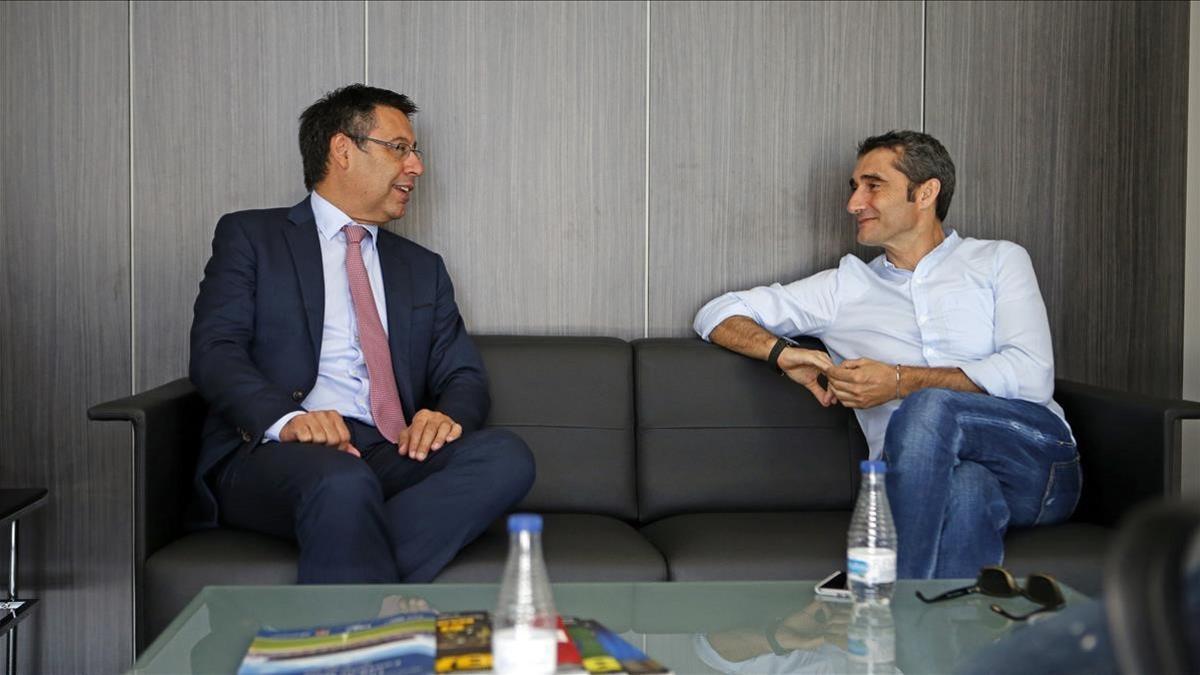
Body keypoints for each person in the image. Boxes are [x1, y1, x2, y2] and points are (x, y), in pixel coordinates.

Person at [693, 130, 1080, 578]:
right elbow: (717, 313)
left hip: (1035, 463)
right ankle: (932, 632)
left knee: (929, 406)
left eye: (873, 186)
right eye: (854, 188)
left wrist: (899, 381)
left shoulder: (998, 261)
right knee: (969, 490)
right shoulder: (844, 288)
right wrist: (781, 352)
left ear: (926, 192)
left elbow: (1032, 376)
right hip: (938, 484)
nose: (854, 204)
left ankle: (885, 592)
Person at [188, 84, 535, 584]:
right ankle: (369, 644)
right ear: (342, 149)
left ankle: (347, 587)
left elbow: (461, 373)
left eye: (415, 152)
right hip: (277, 453)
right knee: (341, 483)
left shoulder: (422, 269)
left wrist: (445, 416)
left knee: (506, 456)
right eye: (400, 148)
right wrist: (287, 420)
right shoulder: (252, 238)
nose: (416, 166)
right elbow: (215, 351)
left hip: (390, 451)